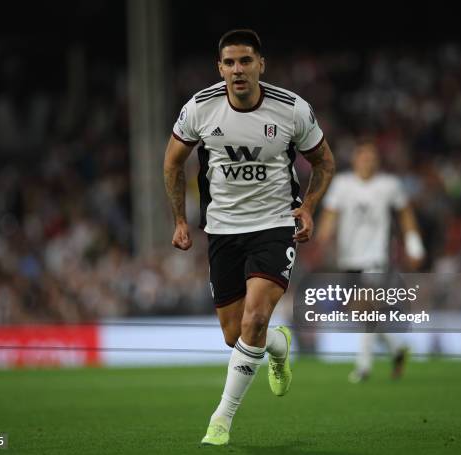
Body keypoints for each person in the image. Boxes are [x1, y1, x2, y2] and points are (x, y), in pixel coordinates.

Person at [163, 29, 335, 445]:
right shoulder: (200, 108)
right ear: (219, 68)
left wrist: (307, 207)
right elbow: (172, 164)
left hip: (275, 225)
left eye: (245, 61)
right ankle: (278, 346)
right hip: (222, 229)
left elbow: (324, 162)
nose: (237, 70)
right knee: (235, 334)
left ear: (261, 64)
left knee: (255, 318)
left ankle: (220, 420)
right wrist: (181, 221)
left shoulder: (291, 109)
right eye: (229, 63)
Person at [314, 140, 424, 382]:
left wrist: (414, 244)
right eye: (364, 157)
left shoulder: (389, 185)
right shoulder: (343, 185)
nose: (368, 161)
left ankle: (363, 367)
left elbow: (405, 214)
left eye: (372, 157)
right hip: (348, 258)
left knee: (367, 306)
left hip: (376, 257)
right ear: (355, 160)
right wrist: (322, 236)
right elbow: (331, 214)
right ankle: (397, 350)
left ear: (378, 161)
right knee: (362, 313)